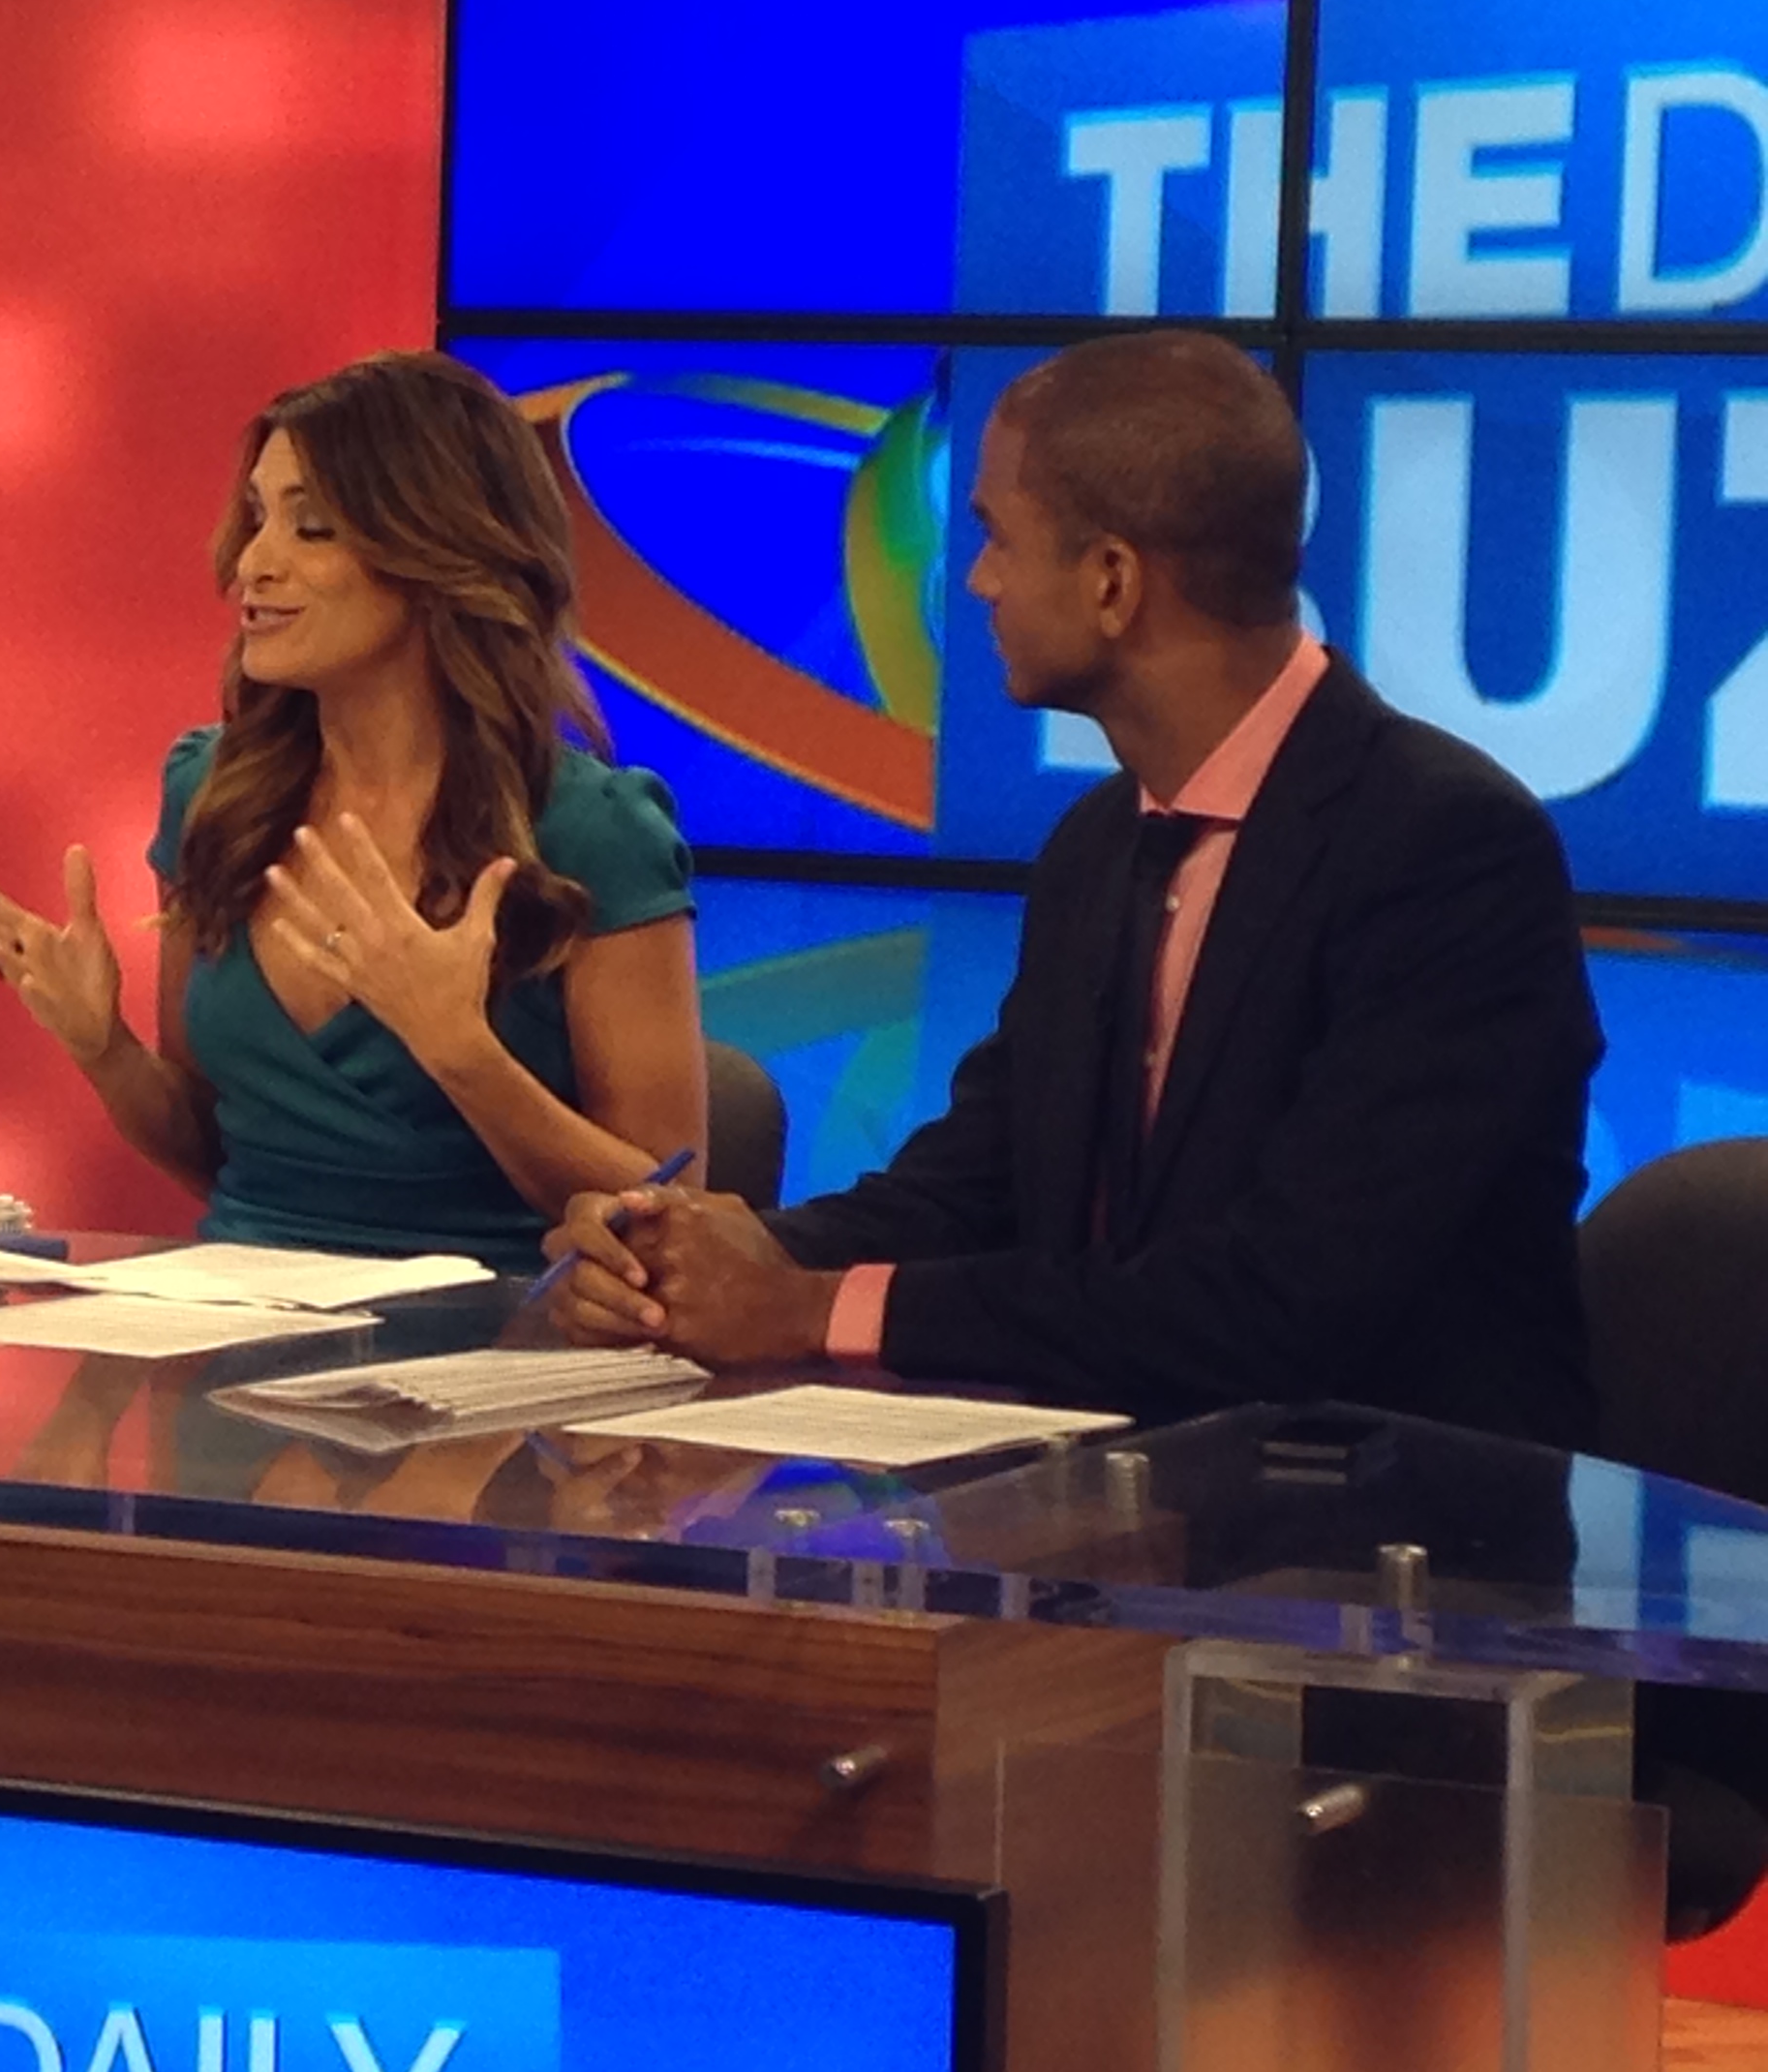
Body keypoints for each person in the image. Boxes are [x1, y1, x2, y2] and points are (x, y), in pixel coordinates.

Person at [546, 329, 1602, 1447]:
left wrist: (808, 1311)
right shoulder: (1098, 846)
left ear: (1110, 581)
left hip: (1396, 1519)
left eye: (998, 536)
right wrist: (708, 1257)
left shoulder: (1446, 849)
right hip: (1122, 1496)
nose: (978, 580)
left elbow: (1287, 1302)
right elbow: (975, 1190)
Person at [0, 350, 704, 1269]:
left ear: (435, 553)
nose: (251, 564)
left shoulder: (591, 830)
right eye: (257, 518)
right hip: (233, 1316)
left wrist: (461, 1052)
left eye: (310, 528)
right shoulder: (216, 793)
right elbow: (216, 1152)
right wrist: (106, 1051)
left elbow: (677, 1213)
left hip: (497, 1325)